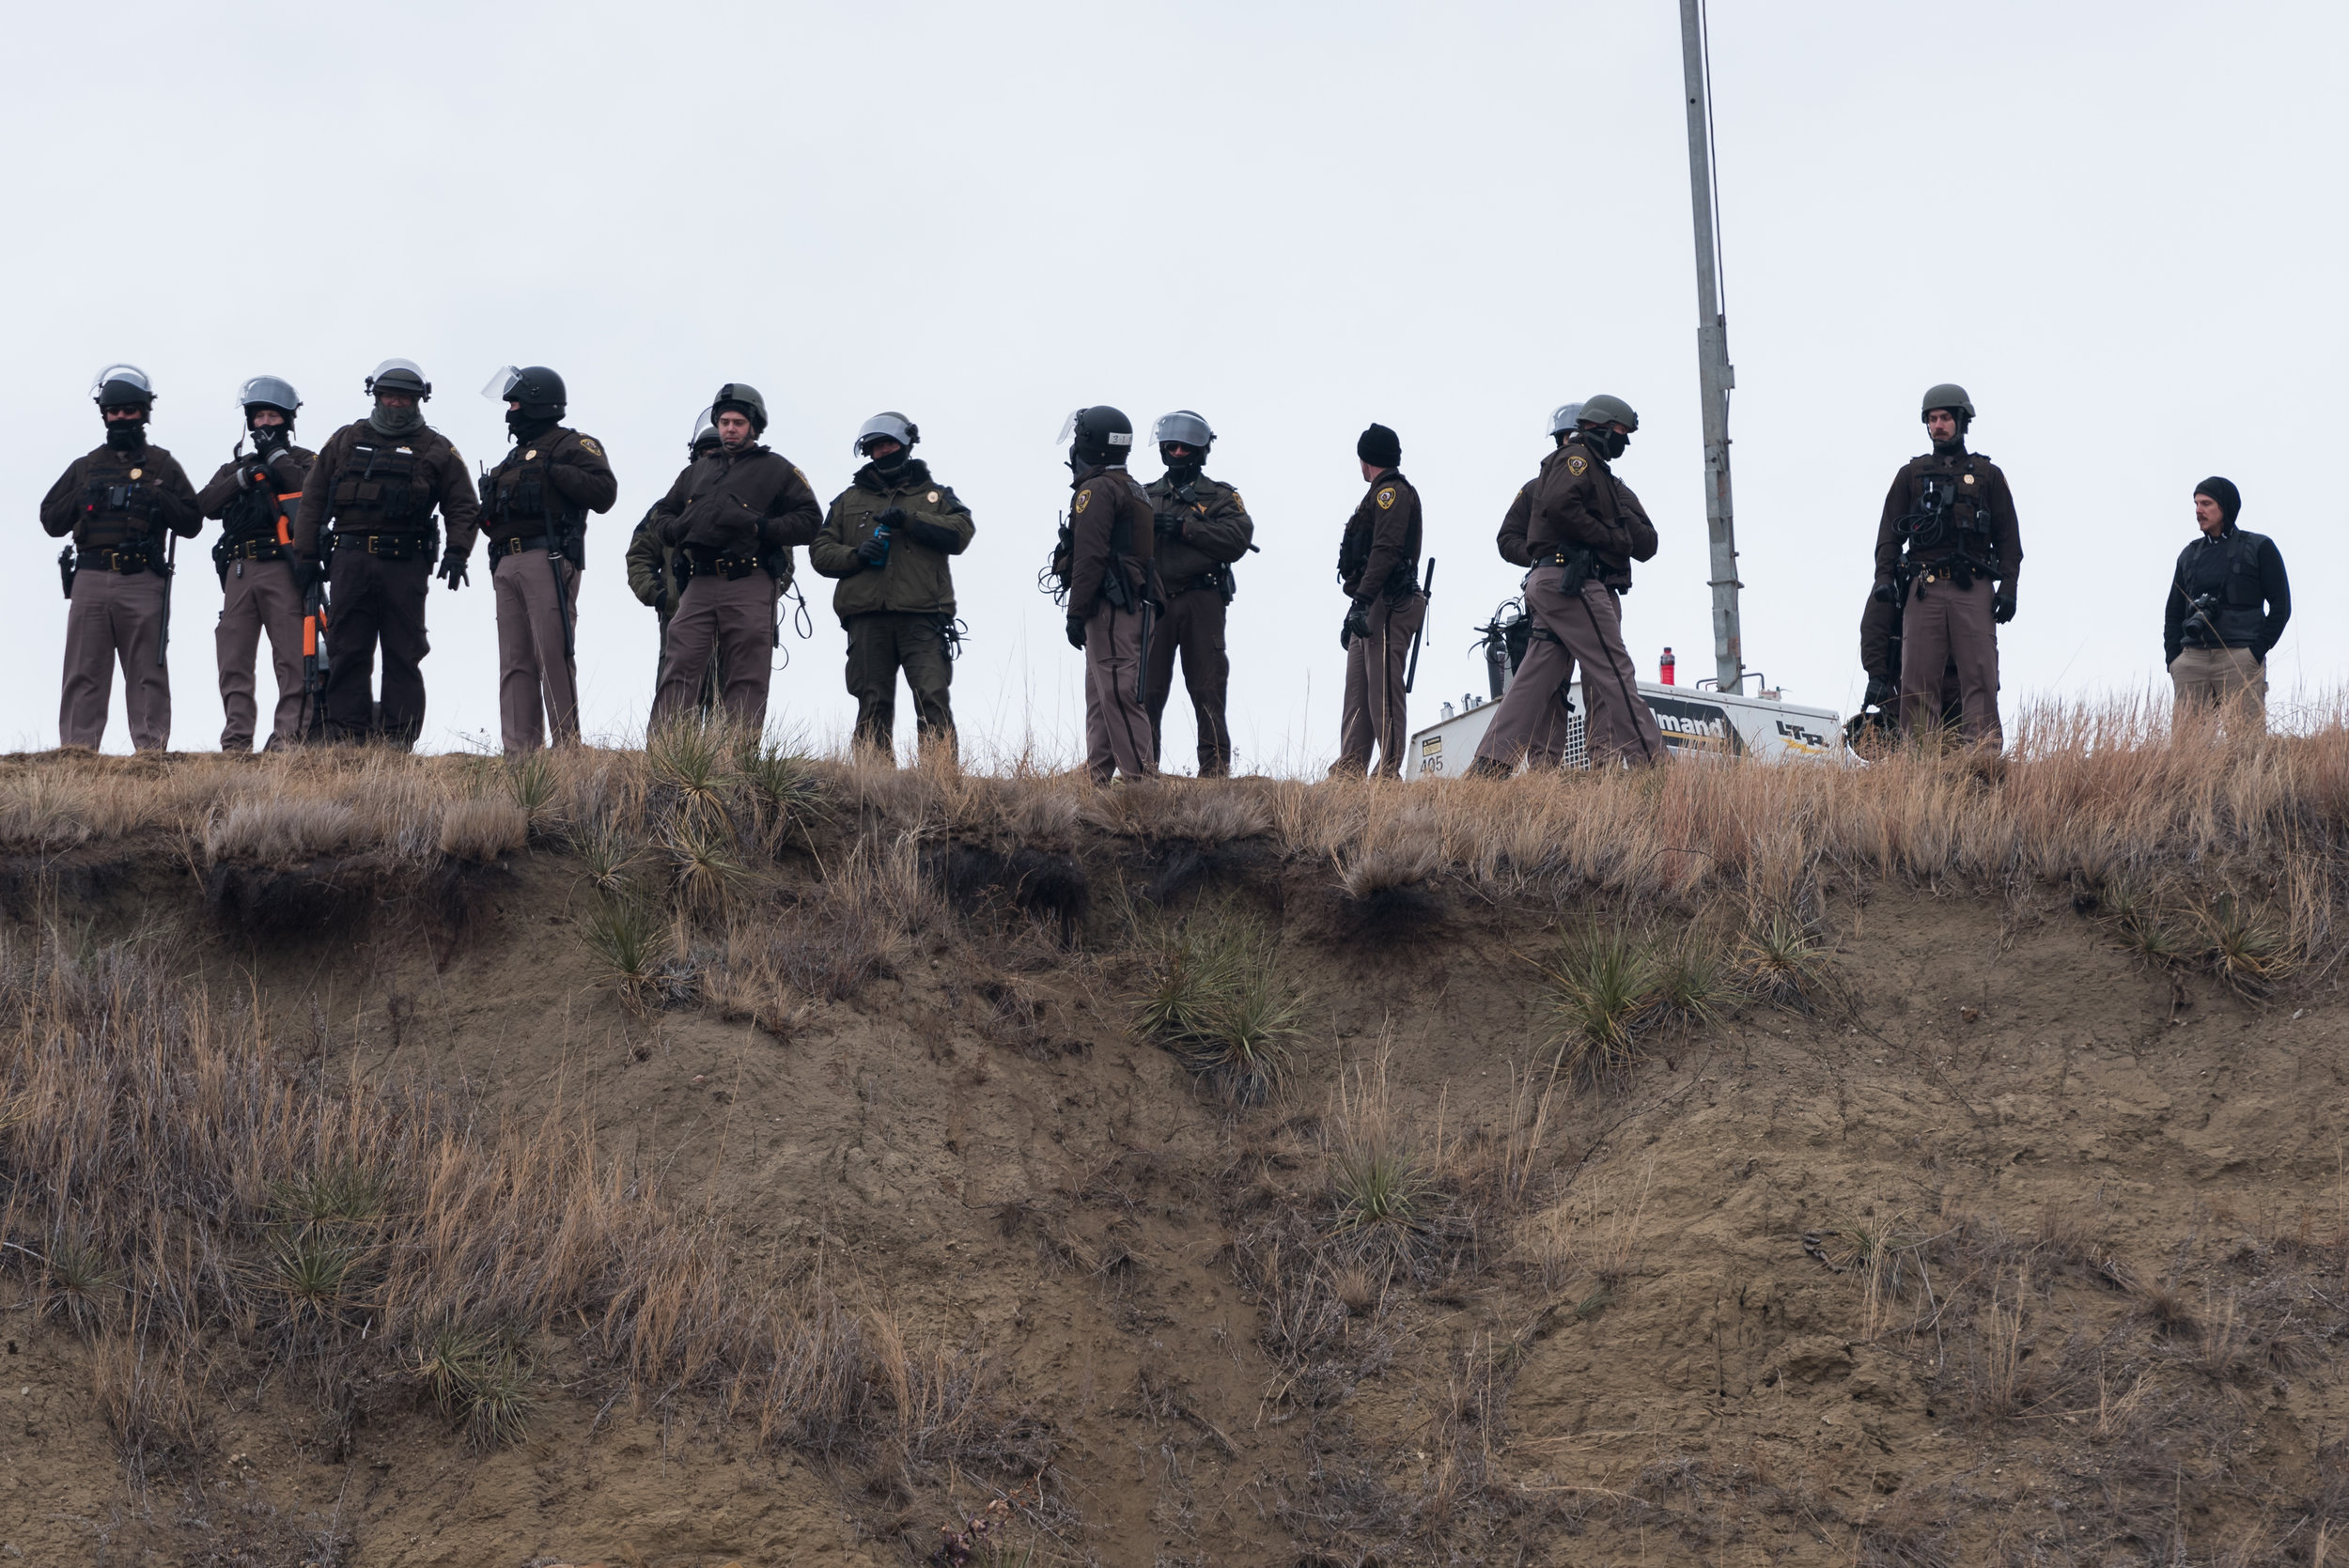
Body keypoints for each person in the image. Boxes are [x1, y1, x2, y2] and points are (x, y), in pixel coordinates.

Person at [1466, 396, 1666, 772]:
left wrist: (1606, 531)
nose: (1563, 445)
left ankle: (1489, 766)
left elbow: (1646, 543)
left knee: (1536, 678)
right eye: (1620, 433)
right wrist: (1559, 554)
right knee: (1612, 671)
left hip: (1581, 587)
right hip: (1572, 585)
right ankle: (1655, 768)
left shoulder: (1609, 483)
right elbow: (1517, 534)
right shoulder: (1565, 469)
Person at [289, 360, 480, 748]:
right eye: (389, 395)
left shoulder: (437, 448)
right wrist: (306, 556)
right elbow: (312, 500)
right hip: (349, 562)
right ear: (375, 396)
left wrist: (458, 551)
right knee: (347, 649)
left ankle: (396, 739)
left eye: (405, 398)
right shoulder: (344, 440)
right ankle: (347, 735)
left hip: (404, 564)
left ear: (419, 401)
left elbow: (463, 505)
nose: (396, 403)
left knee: (403, 653)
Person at [39, 365, 202, 751]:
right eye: (115, 411)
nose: (122, 418)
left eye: (130, 410)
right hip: (91, 580)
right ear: (104, 414)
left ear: (144, 412)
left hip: (143, 579)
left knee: (148, 671)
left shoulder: (163, 465)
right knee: (83, 670)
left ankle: (151, 754)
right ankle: (77, 752)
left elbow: (192, 521)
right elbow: (50, 520)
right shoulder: (85, 467)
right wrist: (82, 498)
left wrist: (157, 496)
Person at [646, 382, 821, 732]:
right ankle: (664, 755)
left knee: (746, 671)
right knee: (679, 663)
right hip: (698, 581)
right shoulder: (696, 471)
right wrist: (678, 528)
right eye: (724, 421)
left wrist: (759, 527)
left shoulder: (778, 469)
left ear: (754, 426)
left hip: (750, 580)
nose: (729, 429)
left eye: (738, 422)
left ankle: (736, 761)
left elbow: (810, 522)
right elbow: (661, 514)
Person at [807, 412, 974, 761]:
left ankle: (940, 781)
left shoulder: (936, 495)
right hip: (868, 618)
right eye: (875, 446)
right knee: (872, 700)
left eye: (889, 444)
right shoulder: (847, 501)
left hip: (924, 616)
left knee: (932, 696)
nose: (882, 451)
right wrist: (856, 555)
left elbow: (961, 532)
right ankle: (872, 786)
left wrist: (911, 520)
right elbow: (820, 552)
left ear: (906, 445)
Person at [1870, 383, 2021, 748]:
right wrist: (1884, 579)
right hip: (1924, 586)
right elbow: (1889, 535)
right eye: (1932, 419)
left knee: (1980, 674)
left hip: (1974, 585)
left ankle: (1982, 755)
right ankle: (1920, 759)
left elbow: (2009, 541)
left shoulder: (1989, 475)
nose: (1938, 425)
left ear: (1962, 421)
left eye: (1945, 418)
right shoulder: (1911, 475)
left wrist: (2010, 588)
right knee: (1917, 677)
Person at [476, 365, 618, 754]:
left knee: (553, 652)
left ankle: (568, 747)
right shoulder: (512, 458)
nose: (510, 411)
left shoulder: (572, 445)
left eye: (516, 402)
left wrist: (553, 471)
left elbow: (605, 493)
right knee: (515, 659)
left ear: (539, 403)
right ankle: (520, 753)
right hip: (506, 563)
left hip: (548, 557)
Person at [195, 376, 315, 751]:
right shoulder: (235, 467)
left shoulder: (304, 459)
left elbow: (311, 497)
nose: (264, 424)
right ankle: (236, 741)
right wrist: (243, 478)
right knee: (233, 658)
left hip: (284, 567)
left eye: (272, 417)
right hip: (239, 569)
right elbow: (204, 505)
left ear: (287, 421)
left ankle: (288, 739)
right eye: (258, 416)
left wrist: (276, 460)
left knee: (293, 658)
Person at [1470, 403, 1585, 773]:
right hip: (1552, 594)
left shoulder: (1596, 485)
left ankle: (1560, 765)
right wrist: (1541, 558)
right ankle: (1539, 765)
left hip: (1587, 592)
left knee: (1577, 680)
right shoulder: (1535, 489)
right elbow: (1506, 538)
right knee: (1542, 679)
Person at [1141, 411, 1254, 777]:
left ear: (1201, 451)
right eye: (1170, 446)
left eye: (1184, 447)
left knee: (1208, 687)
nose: (1176, 453)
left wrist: (1185, 529)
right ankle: (1141, 770)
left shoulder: (1220, 497)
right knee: (1147, 689)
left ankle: (1215, 772)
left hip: (1202, 599)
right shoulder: (1143, 496)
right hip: (1154, 602)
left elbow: (1238, 539)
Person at [1059, 405, 1158, 784]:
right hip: (1132, 604)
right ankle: (1096, 774)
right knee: (1101, 693)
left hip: (1114, 607)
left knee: (1116, 691)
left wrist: (1075, 611)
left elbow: (1091, 556)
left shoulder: (1097, 489)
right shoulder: (1132, 488)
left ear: (1088, 442)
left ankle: (1141, 782)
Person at [1330, 423, 1426, 778]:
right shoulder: (1378, 494)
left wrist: (1363, 601)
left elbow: (1385, 552)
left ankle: (1387, 775)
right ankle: (1349, 773)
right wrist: (1354, 610)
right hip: (1371, 603)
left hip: (1390, 602)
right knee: (1358, 692)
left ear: (1365, 459)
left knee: (1383, 692)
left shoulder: (1391, 493)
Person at [2163, 475, 2288, 734]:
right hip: (2192, 659)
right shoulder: (2189, 555)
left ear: (2226, 506)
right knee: (2187, 750)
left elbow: (2281, 604)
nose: (2198, 510)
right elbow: (2173, 611)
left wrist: (2255, 652)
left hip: (2239, 656)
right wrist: (2174, 660)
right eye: (2196, 504)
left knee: (2246, 744)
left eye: (2206, 503)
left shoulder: (2259, 547)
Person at [628, 409, 723, 712]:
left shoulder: (756, 503)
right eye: (705, 453)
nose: (711, 460)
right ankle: (669, 757)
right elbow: (639, 556)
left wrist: (761, 596)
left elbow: (782, 557)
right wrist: (661, 597)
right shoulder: (670, 508)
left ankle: (735, 760)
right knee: (676, 694)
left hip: (738, 615)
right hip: (680, 614)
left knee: (733, 696)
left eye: (718, 454)